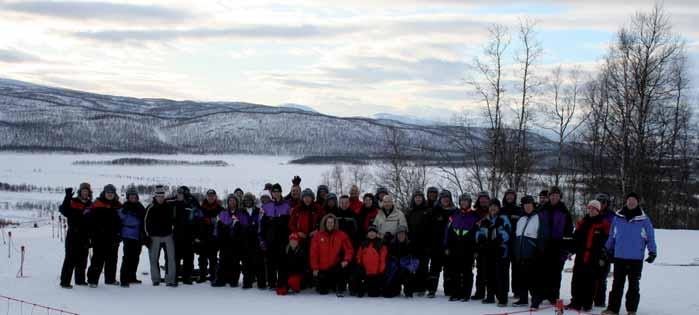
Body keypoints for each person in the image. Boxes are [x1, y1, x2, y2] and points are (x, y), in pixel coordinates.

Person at [602, 193, 657, 315]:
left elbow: (650, 237)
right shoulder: (618, 217)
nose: (631, 202)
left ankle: (631, 310)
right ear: (626, 201)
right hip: (619, 257)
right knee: (617, 284)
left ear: (637, 202)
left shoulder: (644, 220)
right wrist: (606, 248)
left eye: (633, 200)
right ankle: (612, 309)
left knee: (633, 286)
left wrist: (652, 252)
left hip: (635, 259)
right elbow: (612, 235)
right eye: (629, 200)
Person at [567, 200, 611, 312]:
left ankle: (587, 303)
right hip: (581, 255)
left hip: (594, 256)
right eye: (590, 208)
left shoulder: (604, 224)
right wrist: (571, 251)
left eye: (594, 209)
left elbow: (608, 241)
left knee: (590, 280)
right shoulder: (582, 222)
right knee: (577, 279)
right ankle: (575, 301)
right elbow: (575, 238)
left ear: (598, 210)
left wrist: (603, 255)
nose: (591, 210)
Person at [535, 186, 574, 308]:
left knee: (556, 273)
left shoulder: (564, 212)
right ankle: (542, 294)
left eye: (556, 195)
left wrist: (567, 249)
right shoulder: (542, 209)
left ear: (559, 196)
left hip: (558, 246)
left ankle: (553, 296)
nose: (553, 197)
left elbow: (569, 232)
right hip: (544, 245)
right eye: (551, 195)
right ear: (549, 196)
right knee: (542, 272)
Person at [512, 196, 548, 308]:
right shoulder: (520, 219)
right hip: (520, 254)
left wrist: (540, 251)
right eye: (525, 205)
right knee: (522, 278)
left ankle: (535, 301)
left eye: (529, 205)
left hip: (534, 254)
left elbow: (543, 235)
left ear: (533, 205)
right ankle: (523, 299)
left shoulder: (539, 217)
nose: (527, 207)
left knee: (534, 280)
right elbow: (517, 236)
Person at [443, 194, 480, 301]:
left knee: (467, 272)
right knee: (455, 271)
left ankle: (466, 293)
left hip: (468, 248)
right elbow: (447, 231)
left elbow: (478, 233)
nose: (463, 203)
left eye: (466, 201)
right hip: (454, 247)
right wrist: (446, 245)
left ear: (469, 202)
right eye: (462, 201)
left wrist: (476, 249)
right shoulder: (454, 214)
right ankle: (456, 292)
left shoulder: (474, 215)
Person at [476, 199, 512, 306]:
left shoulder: (503, 218)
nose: (493, 208)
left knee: (501, 275)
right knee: (489, 275)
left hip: (500, 251)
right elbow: (478, 231)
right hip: (488, 251)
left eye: (495, 206)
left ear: (499, 208)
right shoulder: (485, 219)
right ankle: (490, 296)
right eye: (491, 206)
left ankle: (502, 298)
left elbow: (508, 231)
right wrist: (480, 237)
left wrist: (500, 239)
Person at [87, 184, 122, 287]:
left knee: (112, 259)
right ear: (104, 193)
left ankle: (110, 279)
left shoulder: (118, 205)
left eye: (112, 193)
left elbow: (121, 220)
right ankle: (92, 280)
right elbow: (91, 221)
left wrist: (119, 234)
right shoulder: (97, 204)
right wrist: (92, 234)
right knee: (98, 259)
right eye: (108, 193)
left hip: (113, 237)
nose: (110, 194)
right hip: (99, 237)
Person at [310, 214, 354, 297]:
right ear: (325, 223)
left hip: (335, 268)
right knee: (323, 291)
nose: (330, 224)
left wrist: (346, 260)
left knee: (339, 285)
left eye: (332, 222)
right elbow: (313, 253)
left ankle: (338, 284)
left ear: (335, 224)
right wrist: (315, 268)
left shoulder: (341, 235)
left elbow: (349, 249)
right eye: (328, 222)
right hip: (322, 269)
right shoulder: (317, 236)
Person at [59, 182, 92, 288]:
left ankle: (80, 280)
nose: (85, 193)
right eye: (83, 191)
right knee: (70, 259)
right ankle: (65, 282)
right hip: (73, 234)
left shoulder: (90, 204)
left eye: (87, 191)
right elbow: (64, 210)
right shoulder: (73, 202)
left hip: (85, 235)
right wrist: (67, 196)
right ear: (80, 192)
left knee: (83, 259)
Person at [144, 185, 177, 287]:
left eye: (162, 195)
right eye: (158, 195)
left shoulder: (169, 206)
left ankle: (170, 279)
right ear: (155, 196)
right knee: (153, 258)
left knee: (171, 258)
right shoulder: (150, 207)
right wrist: (147, 237)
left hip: (168, 235)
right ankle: (156, 279)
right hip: (154, 237)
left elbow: (174, 219)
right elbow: (145, 223)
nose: (160, 197)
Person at [261, 183, 291, 290]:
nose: (276, 193)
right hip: (270, 239)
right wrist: (262, 240)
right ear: (271, 193)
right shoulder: (266, 206)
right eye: (274, 192)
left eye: (278, 191)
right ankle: (272, 283)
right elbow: (262, 225)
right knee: (270, 262)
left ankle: (282, 282)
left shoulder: (287, 205)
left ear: (281, 192)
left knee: (282, 262)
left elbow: (290, 224)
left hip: (283, 239)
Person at [427, 189, 456, 298]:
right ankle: (431, 290)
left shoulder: (455, 211)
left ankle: (448, 290)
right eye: (443, 197)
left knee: (449, 269)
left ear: (450, 199)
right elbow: (428, 229)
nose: (445, 199)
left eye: (447, 197)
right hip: (436, 245)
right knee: (434, 269)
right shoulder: (435, 211)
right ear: (440, 199)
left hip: (449, 245)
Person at [233, 193, 266, 289]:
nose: (248, 202)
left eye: (249, 200)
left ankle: (261, 283)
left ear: (253, 201)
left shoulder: (258, 211)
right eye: (246, 200)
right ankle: (247, 282)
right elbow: (236, 226)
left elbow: (261, 224)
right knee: (246, 263)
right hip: (245, 241)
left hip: (257, 240)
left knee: (259, 263)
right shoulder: (239, 212)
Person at [170, 186, 199, 285]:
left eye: (182, 193)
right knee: (176, 256)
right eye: (179, 193)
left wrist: (196, 234)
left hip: (189, 233)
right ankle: (175, 275)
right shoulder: (174, 201)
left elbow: (197, 218)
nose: (180, 195)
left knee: (189, 256)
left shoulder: (192, 202)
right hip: (177, 233)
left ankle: (187, 276)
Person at [117, 187, 146, 287]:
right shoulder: (125, 207)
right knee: (127, 257)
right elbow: (120, 217)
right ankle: (124, 279)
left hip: (138, 235)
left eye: (134, 196)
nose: (133, 198)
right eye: (131, 196)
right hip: (128, 234)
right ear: (128, 197)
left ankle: (132, 276)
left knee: (135, 257)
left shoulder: (140, 207)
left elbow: (144, 218)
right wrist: (125, 212)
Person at [406, 189, 432, 296]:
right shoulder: (409, 212)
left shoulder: (428, 211)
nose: (418, 199)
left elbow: (432, 228)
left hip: (425, 243)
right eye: (416, 197)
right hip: (413, 243)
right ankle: (414, 286)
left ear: (423, 199)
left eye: (420, 197)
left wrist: (429, 243)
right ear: (414, 199)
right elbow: (407, 227)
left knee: (423, 267)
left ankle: (422, 287)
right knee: (413, 266)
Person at [212, 194, 240, 287]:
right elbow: (217, 226)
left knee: (235, 262)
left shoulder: (240, 213)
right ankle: (220, 280)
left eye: (234, 200)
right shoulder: (223, 213)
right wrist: (217, 237)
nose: (232, 202)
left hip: (235, 242)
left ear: (236, 202)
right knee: (223, 261)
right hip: (224, 241)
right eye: (230, 200)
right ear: (227, 202)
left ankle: (233, 280)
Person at [197, 190, 224, 283]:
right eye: (209, 196)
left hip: (214, 237)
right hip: (203, 237)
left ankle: (213, 275)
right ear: (207, 197)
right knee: (202, 258)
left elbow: (223, 224)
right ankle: (202, 275)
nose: (211, 197)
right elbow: (198, 221)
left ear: (215, 197)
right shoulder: (201, 208)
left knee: (213, 258)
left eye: (212, 196)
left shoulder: (220, 209)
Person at [385, 226, 418, 298]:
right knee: (388, 294)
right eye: (399, 234)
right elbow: (389, 259)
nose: (401, 236)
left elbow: (415, 260)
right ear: (396, 235)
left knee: (408, 275)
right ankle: (396, 289)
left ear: (406, 235)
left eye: (403, 234)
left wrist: (409, 267)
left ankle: (408, 290)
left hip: (406, 270)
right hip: (395, 270)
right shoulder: (392, 245)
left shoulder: (410, 245)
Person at [354, 224, 387, 298]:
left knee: (373, 294)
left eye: (373, 232)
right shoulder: (363, 244)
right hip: (365, 273)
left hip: (376, 274)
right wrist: (360, 265)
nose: (371, 234)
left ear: (376, 233)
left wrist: (380, 271)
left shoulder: (381, 244)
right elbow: (358, 256)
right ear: (367, 233)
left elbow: (383, 259)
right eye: (370, 232)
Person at [501, 189, 522, 299]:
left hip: (515, 243)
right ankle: (504, 289)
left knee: (516, 268)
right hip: (504, 243)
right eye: (508, 195)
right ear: (505, 197)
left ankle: (517, 290)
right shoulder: (501, 210)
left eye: (512, 196)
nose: (510, 197)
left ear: (514, 197)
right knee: (504, 267)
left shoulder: (519, 210)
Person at [594, 193, 613, 307]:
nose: (601, 204)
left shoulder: (611, 216)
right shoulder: (593, 214)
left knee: (601, 278)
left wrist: (608, 251)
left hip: (605, 250)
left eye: (603, 202)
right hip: (593, 250)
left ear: (607, 204)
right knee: (592, 276)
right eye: (599, 202)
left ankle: (600, 301)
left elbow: (613, 235)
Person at [472, 191, 490, 300]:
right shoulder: (475, 213)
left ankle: (491, 292)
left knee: (490, 270)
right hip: (478, 245)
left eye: (485, 198)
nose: (483, 200)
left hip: (491, 244)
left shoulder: (492, 210)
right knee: (480, 270)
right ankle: (480, 292)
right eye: (481, 198)